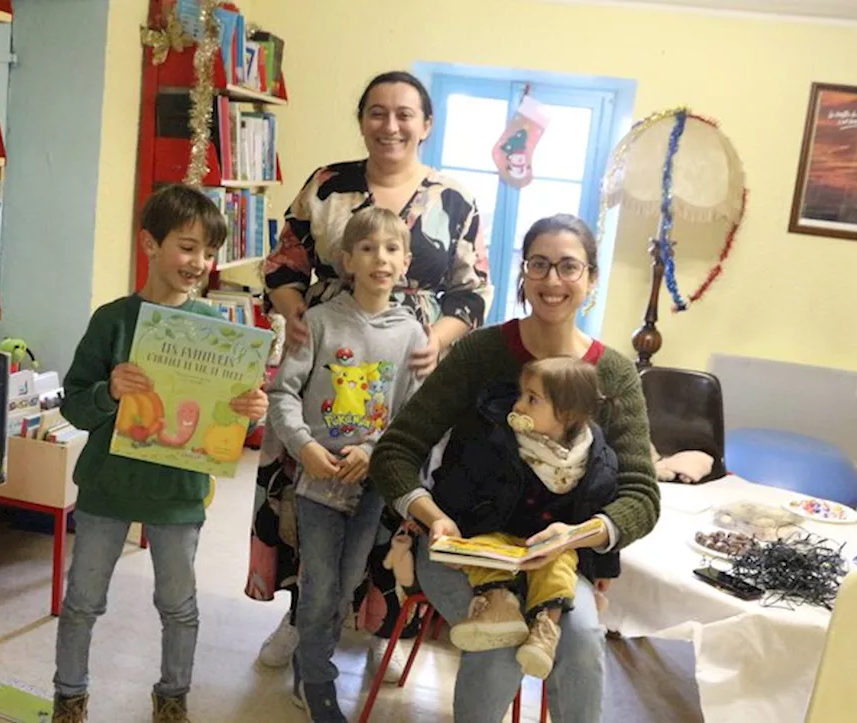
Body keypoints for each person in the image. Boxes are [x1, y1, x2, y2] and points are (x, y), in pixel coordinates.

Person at [370, 214, 660, 723]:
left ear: (591, 279)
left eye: (569, 267)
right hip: (465, 546)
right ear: (523, 275)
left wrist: (583, 535)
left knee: (585, 637)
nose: (552, 280)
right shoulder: (480, 355)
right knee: (498, 639)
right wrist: (431, 515)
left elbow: (641, 492)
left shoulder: (612, 374)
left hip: (560, 558)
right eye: (539, 265)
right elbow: (395, 451)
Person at [249, 69, 491, 679]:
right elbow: (283, 261)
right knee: (305, 497)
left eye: (405, 114)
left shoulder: (453, 200)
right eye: (377, 112)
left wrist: (436, 339)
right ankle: (303, 617)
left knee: (385, 501)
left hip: (411, 359)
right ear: (362, 120)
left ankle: (364, 623)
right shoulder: (329, 184)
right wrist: (295, 314)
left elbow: (473, 292)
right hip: (327, 348)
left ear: (426, 124)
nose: (391, 125)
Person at [53, 185, 269, 723]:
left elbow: (224, 427)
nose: (199, 263)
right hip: (108, 484)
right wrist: (109, 390)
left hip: (178, 492)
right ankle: (69, 697)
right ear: (149, 244)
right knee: (82, 600)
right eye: (188, 247)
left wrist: (250, 409)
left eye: (209, 252)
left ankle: (172, 700)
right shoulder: (113, 320)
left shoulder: (221, 331)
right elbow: (77, 407)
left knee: (179, 605)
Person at [267, 206, 429, 721]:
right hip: (317, 483)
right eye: (367, 249)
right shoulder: (318, 322)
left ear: (405, 262)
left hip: (372, 485)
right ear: (346, 260)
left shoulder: (412, 336)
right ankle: (317, 678)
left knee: (347, 581)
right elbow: (283, 393)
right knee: (318, 586)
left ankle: (314, 660)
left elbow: (413, 417)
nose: (379, 259)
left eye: (390, 249)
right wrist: (303, 446)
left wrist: (375, 452)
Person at [437, 356, 619, 682]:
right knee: (483, 552)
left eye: (532, 399)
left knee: (562, 566)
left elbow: (598, 508)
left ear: (567, 414)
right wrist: (454, 536)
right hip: (498, 536)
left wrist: (604, 569)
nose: (518, 405)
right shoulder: (499, 440)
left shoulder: (596, 459)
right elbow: (461, 485)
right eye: (522, 394)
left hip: (550, 545)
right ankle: (498, 606)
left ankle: (545, 631)